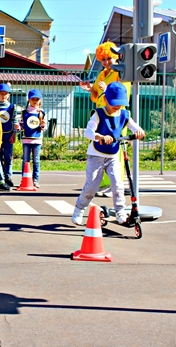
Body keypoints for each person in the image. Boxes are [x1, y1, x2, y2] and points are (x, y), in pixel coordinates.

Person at [71, 82, 145, 226]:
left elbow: (136, 127)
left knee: (118, 184)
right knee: (92, 185)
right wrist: (99, 136)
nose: (117, 106)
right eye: (114, 103)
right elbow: (88, 133)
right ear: (106, 100)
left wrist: (139, 132)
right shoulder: (98, 114)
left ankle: (120, 211)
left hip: (112, 156)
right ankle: (79, 209)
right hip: (95, 155)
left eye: (120, 103)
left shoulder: (124, 115)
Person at [80, 41, 131, 197]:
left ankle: (116, 185)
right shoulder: (102, 74)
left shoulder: (119, 73)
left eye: (109, 58)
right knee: (100, 147)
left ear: (115, 57)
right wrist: (90, 89)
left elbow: (122, 93)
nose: (106, 62)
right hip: (102, 115)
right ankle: (103, 183)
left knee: (116, 149)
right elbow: (96, 97)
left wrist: (106, 89)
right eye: (103, 59)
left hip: (116, 115)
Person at [20, 89, 46, 189]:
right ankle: (25, 179)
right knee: (26, 160)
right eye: (33, 99)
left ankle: (35, 180)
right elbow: (22, 125)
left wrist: (43, 125)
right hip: (26, 140)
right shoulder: (25, 112)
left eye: (37, 99)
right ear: (29, 100)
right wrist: (19, 127)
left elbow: (44, 127)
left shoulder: (41, 113)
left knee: (36, 161)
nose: (35, 101)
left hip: (37, 140)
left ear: (40, 100)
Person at [0, 83, 19, 187]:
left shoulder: (12, 107)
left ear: (9, 95)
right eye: (1, 94)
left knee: (8, 156)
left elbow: (15, 120)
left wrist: (14, 133)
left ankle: (8, 176)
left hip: (8, 134)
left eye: (5, 94)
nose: (3, 96)